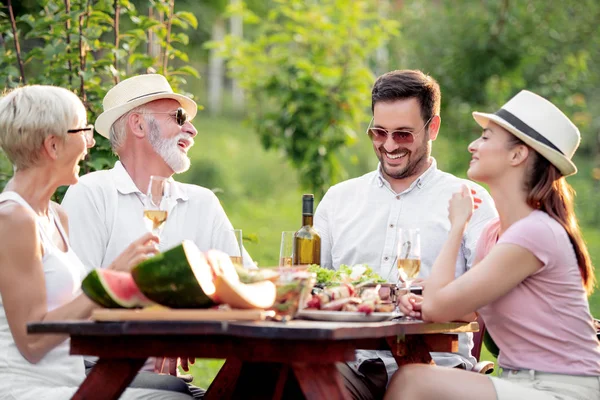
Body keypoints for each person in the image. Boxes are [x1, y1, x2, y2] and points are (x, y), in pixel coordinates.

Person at [389, 90, 600, 400]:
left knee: (412, 382)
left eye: (486, 138)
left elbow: (438, 305)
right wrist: (423, 301)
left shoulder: (535, 233)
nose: (473, 145)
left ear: (518, 155)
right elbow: (459, 308)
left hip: (563, 389)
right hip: (519, 383)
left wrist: (457, 226)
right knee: (412, 379)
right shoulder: (493, 234)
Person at [61, 74, 250, 398]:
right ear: (138, 125)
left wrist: (180, 325)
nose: (192, 130)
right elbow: (74, 307)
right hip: (100, 377)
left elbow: (242, 287)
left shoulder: (203, 202)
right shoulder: (91, 194)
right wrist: (160, 328)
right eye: (178, 118)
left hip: (171, 384)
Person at [313, 69, 498, 399]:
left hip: (437, 372)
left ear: (433, 128)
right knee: (275, 377)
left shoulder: (471, 200)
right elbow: (315, 289)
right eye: (378, 133)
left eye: (403, 135)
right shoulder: (339, 199)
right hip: (351, 367)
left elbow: (491, 304)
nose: (388, 145)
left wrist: (439, 301)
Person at [0, 85, 192, 399]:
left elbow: (73, 312)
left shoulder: (56, 217)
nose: (91, 142)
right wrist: (108, 279)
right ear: (53, 145)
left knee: (186, 394)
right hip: (26, 390)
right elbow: (33, 342)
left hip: (69, 384)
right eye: (83, 130)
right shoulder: (14, 219)